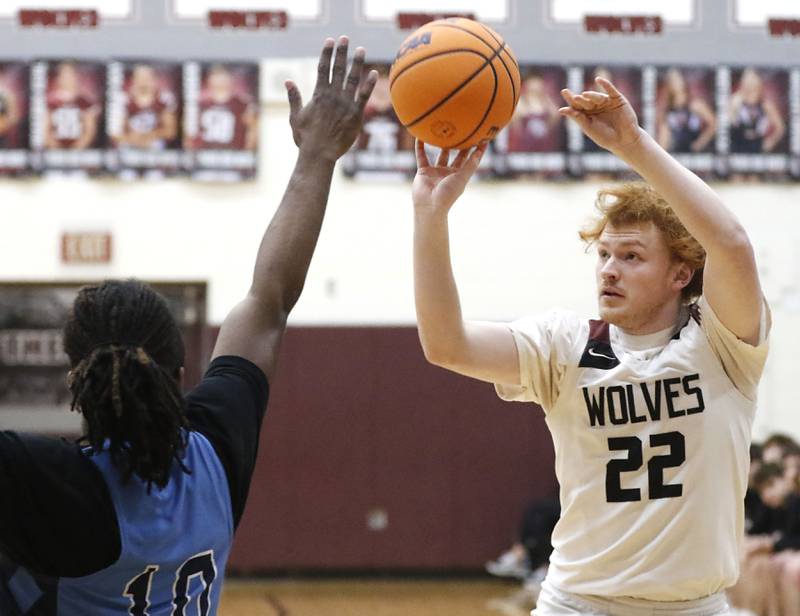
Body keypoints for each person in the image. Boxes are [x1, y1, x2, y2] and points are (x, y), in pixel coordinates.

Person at [0, 37, 376, 615]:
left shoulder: (46, 482)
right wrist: (316, 157)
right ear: (178, 372)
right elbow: (269, 301)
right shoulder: (216, 456)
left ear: (76, 378)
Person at [413, 75, 769, 614]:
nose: (609, 270)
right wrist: (430, 217)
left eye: (630, 257)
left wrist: (633, 146)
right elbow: (446, 344)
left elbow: (731, 243)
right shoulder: (563, 343)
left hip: (696, 605)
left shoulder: (723, 346)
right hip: (580, 604)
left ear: (680, 273)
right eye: (603, 255)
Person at [115, 63, 178, 150]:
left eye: (147, 78)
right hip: (130, 142)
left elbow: (170, 131)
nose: (143, 82)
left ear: (154, 80)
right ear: (133, 80)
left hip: (154, 143)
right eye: (140, 78)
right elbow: (115, 134)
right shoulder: (123, 100)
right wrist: (133, 139)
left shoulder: (164, 99)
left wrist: (151, 136)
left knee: (157, 145)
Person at [195, 64, 257, 151]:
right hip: (205, 155)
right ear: (209, 80)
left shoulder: (243, 105)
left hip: (234, 155)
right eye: (216, 77)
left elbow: (252, 131)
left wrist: (247, 153)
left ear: (230, 80)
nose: (220, 82)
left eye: (223, 78)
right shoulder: (200, 105)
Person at [656, 68, 716, 154]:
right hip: (676, 153)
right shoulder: (668, 111)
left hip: (696, 154)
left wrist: (700, 143)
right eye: (672, 79)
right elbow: (664, 138)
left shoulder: (695, 105)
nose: (676, 81)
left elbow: (714, 123)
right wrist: (662, 154)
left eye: (677, 77)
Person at [44, 61, 101, 150]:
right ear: (59, 78)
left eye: (70, 75)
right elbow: (45, 131)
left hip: (79, 154)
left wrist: (77, 149)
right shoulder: (50, 102)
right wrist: (56, 148)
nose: (67, 79)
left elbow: (89, 131)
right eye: (64, 75)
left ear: (76, 77)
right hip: (55, 153)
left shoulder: (86, 102)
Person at [728, 67, 786, 154]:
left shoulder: (766, 105)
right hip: (738, 145)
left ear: (758, 84)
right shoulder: (737, 101)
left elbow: (780, 128)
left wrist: (769, 142)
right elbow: (729, 120)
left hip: (757, 145)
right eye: (747, 81)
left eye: (752, 81)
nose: (749, 84)